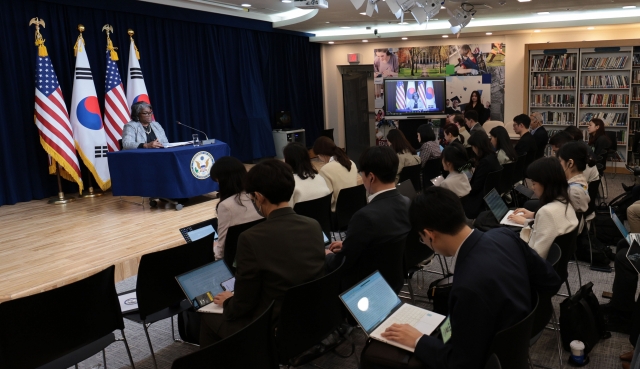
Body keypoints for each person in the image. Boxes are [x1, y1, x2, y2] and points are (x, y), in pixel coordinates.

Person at [379, 187, 562, 368]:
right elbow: (551, 281)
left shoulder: (467, 286)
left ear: (429, 234)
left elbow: (460, 363)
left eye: (422, 239)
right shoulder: (504, 235)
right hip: (518, 340)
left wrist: (418, 340)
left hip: (490, 356)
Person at [199, 160, 326, 347]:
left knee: (208, 319)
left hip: (273, 326)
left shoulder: (251, 239)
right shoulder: (313, 225)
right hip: (312, 316)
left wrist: (229, 302)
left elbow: (243, 304)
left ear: (259, 196)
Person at [326, 146, 411, 293]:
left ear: (371, 177)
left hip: (363, 290)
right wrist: (349, 244)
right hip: (393, 283)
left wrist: (328, 256)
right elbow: (380, 244)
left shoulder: (364, 217)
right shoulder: (407, 202)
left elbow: (342, 263)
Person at [507, 157, 579, 259]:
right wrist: (527, 222)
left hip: (533, 269)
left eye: (534, 183)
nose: (533, 187)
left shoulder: (547, 212)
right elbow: (546, 232)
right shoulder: (565, 202)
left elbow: (536, 256)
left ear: (546, 183)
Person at [210, 157, 263, 260]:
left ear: (223, 181)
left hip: (239, 260)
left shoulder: (226, 206)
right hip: (262, 253)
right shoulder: (258, 196)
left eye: (218, 181)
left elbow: (222, 250)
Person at [312, 137, 358, 212]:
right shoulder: (351, 163)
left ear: (322, 154)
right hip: (353, 209)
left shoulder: (326, 169)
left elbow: (329, 200)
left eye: (318, 156)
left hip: (336, 213)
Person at [466, 131, 502, 218]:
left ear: (477, 146)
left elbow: (476, 187)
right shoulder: (492, 156)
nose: (473, 149)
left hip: (479, 200)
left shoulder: (484, 162)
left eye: (473, 146)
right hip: (492, 197)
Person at [283, 142, 331, 207]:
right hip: (324, 216)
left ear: (288, 160)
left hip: (300, 216)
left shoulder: (290, 183)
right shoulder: (320, 177)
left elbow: (287, 209)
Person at [557, 142, 591, 231]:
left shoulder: (573, 191)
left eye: (560, 161)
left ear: (570, 163)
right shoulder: (580, 180)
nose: (558, 165)